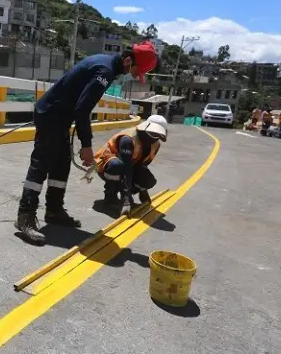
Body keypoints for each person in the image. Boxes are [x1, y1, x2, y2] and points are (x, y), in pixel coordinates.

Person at [14, 41, 159, 245]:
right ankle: (25, 217)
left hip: (60, 116)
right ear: (128, 60)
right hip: (51, 115)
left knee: (62, 165)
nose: (136, 75)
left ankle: (54, 211)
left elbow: (80, 105)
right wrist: (87, 146)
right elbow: (83, 109)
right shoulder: (105, 71)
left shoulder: (106, 64)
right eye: (137, 70)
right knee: (42, 164)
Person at [94, 115, 167, 216]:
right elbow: (126, 168)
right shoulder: (128, 139)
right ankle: (110, 197)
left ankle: (128, 192)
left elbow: (142, 166)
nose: (154, 138)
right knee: (117, 166)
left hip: (131, 166)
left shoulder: (155, 145)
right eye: (153, 133)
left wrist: (143, 190)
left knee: (149, 181)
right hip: (107, 166)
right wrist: (126, 199)